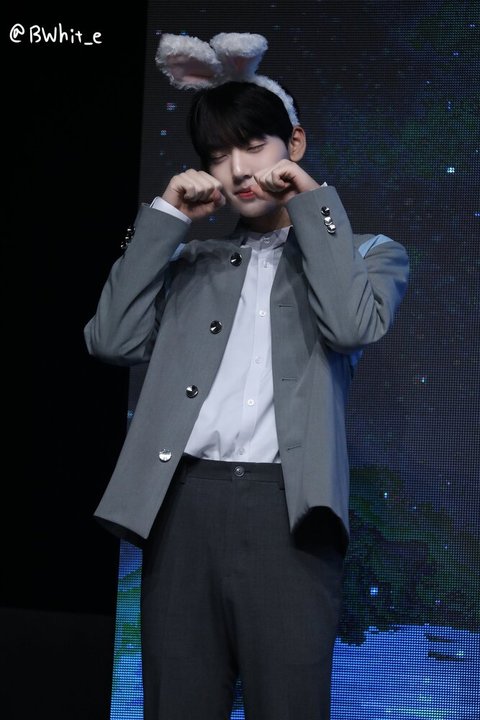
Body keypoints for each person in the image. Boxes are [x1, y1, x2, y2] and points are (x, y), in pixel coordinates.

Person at [84, 32, 409, 720]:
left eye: (253, 145)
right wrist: (167, 219)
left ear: (295, 142)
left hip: (289, 514)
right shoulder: (191, 263)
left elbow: (351, 326)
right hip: (183, 507)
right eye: (216, 155)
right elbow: (110, 340)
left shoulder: (367, 253)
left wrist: (314, 201)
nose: (236, 170)